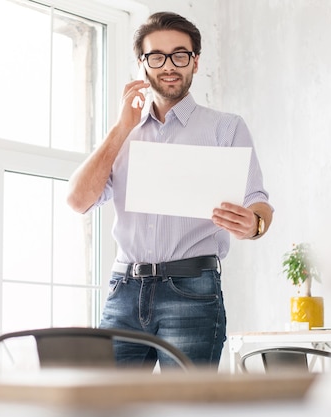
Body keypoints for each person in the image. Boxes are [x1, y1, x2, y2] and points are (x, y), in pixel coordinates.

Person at [66, 11, 273, 369]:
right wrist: (121, 128)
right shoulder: (124, 133)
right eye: (156, 57)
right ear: (142, 65)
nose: (169, 66)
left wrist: (253, 225)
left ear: (195, 61)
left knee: (182, 406)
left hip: (191, 290)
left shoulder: (225, 128)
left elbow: (258, 202)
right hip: (123, 290)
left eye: (180, 55)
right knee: (106, 404)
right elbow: (78, 200)